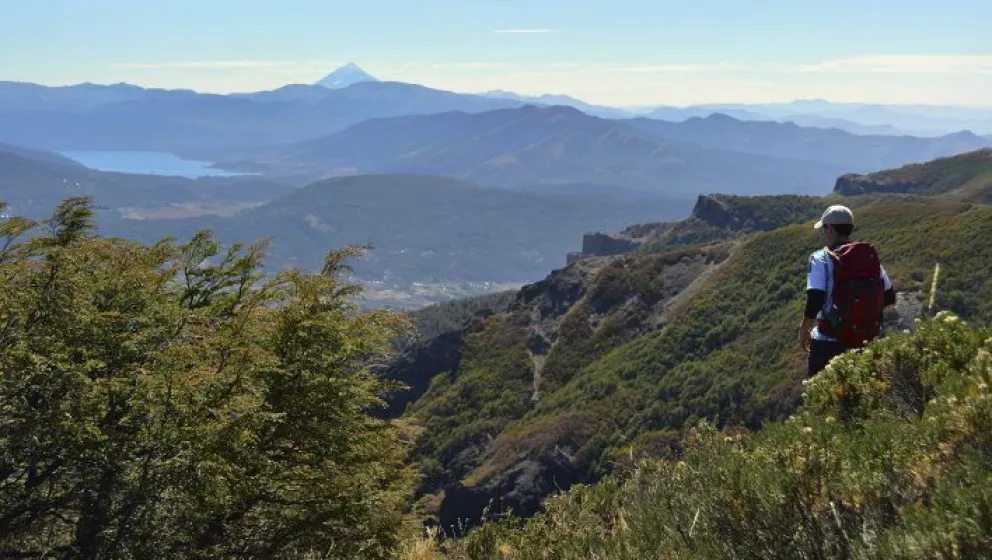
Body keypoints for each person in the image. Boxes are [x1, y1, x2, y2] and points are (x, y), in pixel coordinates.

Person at [799, 205, 896, 376]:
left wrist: (804, 329)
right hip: (864, 342)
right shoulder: (867, 257)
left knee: (822, 398)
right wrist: (860, 318)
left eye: (824, 228)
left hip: (827, 342)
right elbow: (889, 296)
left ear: (830, 229)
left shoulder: (820, 258)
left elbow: (815, 297)